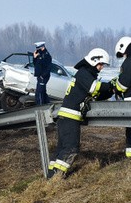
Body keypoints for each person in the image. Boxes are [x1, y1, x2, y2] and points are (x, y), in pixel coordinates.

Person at [48, 47, 114, 178]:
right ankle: (57, 177)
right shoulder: (84, 73)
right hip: (70, 117)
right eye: (101, 64)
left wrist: (110, 91)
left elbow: (95, 94)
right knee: (71, 148)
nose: (101, 68)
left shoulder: (85, 75)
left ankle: (51, 176)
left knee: (62, 148)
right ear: (94, 60)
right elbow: (94, 87)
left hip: (66, 117)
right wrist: (111, 85)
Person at [112, 36, 131, 158]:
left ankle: (129, 157)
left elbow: (123, 84)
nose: (123, 56)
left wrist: (115, 87)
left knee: (130, 130)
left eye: (123, 54)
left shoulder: (129, 62)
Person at [33, 41, 53, 105]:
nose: (37, 50)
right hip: (39, 76)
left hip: (43, 77)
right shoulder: (40, 55)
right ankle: (47, 103)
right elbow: (36, 64)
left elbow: (48, 68)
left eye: (38, 49)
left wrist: (43, 76)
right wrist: (35, 57)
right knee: (42, 91)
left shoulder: (47, 55)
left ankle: (40, 106)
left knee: (39, 92)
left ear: (42, 47)